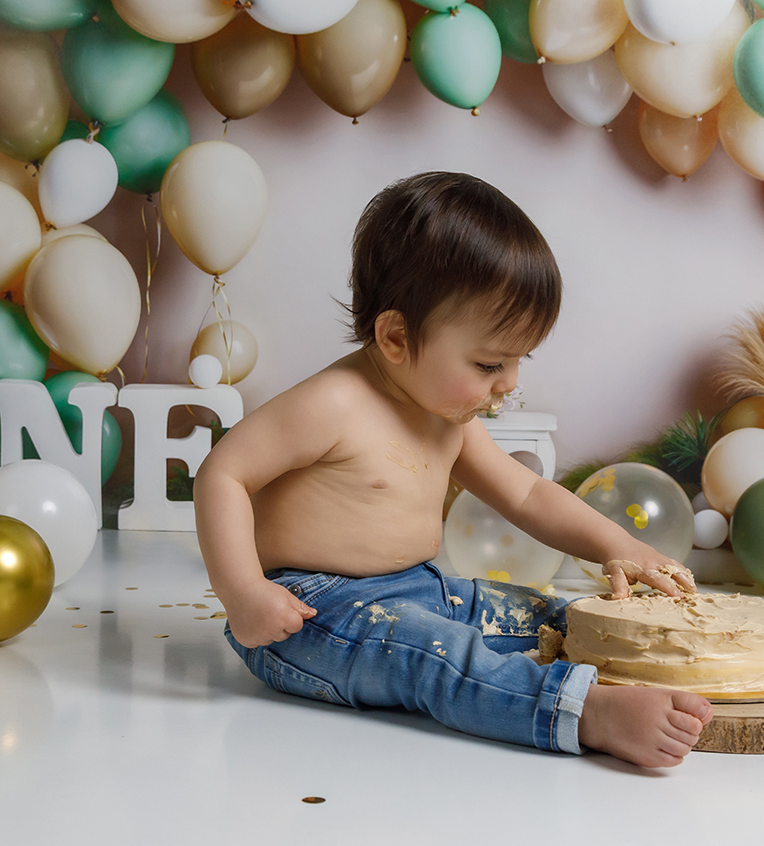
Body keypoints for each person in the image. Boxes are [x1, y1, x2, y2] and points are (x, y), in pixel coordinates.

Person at [194, 172, 713, 769]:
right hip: (310, 615)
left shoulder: (447, 415)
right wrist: (244, 595)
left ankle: (634, 663)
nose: (510, 382)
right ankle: (582, 713)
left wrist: (619, 545)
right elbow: (221, 475)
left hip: (421, 588)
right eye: (491, 362)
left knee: (546, 615)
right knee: (437, 660)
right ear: (395, 336)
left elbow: (525, 493)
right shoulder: (333, 404)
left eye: (519, 360)